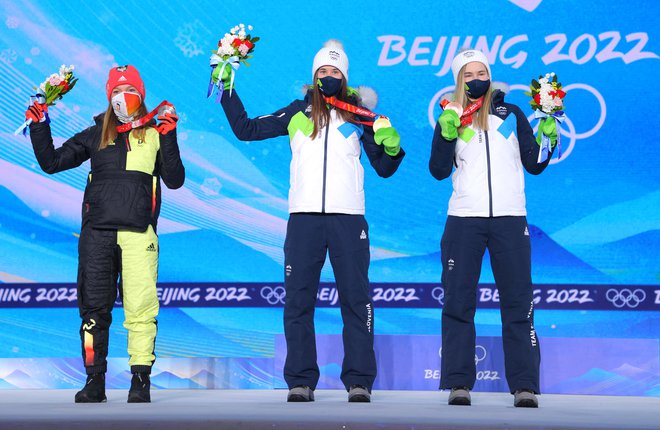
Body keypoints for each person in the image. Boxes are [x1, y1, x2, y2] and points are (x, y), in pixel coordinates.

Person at [217, 40, 405, 402]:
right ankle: (301, 379)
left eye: (335, 71)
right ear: (314, 76)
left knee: (356, 300)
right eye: (323, 71)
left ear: (345, 77)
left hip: (348, 219)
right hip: (304, 219)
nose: (329, 76)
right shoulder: (296, 112)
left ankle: (359, 380)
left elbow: (384, 168)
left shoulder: (359, 114)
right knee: (298, 302)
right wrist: (226, 88)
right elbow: (246, 129)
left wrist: (391, 146)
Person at [25, 65, 185, 403]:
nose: (121, 98)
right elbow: (52, 162)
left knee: (141, 309)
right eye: (114, 92)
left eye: (127, 91)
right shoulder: (95, 134)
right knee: (93, 310)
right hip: (97, 235)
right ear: (108, 97)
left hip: (139, 235)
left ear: (141, 96)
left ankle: (140, 380)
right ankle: (94, 380)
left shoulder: (156, 133)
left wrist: (169, 136)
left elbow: (174, 179)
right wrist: (40, 124)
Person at [428, 49, 558, 408]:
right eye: (467, 75)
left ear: (490, 76)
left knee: (518, 303)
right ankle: (458, 383)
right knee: (458, 302)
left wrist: (549, 135)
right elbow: (438, 170)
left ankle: (525, 386)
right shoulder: (451, 115)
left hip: (509, 219)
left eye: (480, 72)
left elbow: (535, 163)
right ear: (459, 80)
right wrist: (445, 133)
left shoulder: (512, 114)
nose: (475, 79)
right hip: (464, 220)